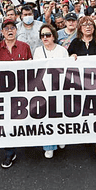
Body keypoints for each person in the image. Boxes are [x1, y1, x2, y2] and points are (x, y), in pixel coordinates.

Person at [0, 19, 32, 169]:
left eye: (12, 28)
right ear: (2, 33)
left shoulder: (25, 46)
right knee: (7, 121)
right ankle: (10, 152)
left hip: (22, 89)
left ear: (16, 31)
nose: (10, 30)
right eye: (6, 29)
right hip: (3, 91)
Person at [68, 16, 96, 159]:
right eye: (84, 24)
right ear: (80, 28)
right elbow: (67, 60)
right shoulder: (75, 43)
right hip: (79, 84)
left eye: (90, 24)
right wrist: (71, 56)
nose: (88, 27)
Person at [32, 24, 69, 158]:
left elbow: (67, 69)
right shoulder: (38, 51)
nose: (45, 37)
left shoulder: (62, 50)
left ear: (54, 36)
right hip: (44, 89)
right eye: (42, 35)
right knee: (47, 118)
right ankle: (49, 145)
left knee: (60, 115)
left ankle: (60, 138)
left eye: (48, 35)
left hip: (59, 88)